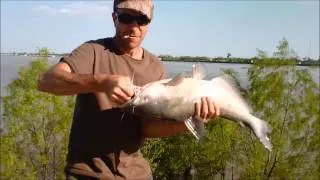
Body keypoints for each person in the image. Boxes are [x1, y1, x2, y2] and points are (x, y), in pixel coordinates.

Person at [37, 0, 220, 179]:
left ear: (149, 23)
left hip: (137, 173)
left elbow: (147, 128)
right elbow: (46, 81)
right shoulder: (93, 51)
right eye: (126, 17)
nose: (134, 26)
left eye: (142, 20)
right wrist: (102, 82)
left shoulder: (156, 68)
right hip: (88, 173)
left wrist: (190, 121)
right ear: (114, 17)